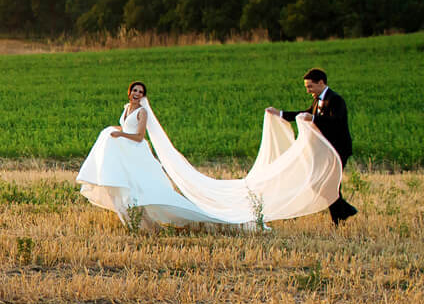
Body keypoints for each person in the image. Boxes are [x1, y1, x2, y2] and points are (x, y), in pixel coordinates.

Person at [78, 79, 344, 231]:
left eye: (141, 92)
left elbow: (138, 136)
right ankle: (138, 221)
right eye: (134, 91)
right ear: (129, 93)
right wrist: (116, 129)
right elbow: (125, 127)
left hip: (136, 151)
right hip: (128, 154)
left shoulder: (143, 112)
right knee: (131, 188)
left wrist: (119, 135)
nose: (137, 94)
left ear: (144, 96)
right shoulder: (126, 108)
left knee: (149, 189)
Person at [266, 68, 355, 225]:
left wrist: (313, 118)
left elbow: (335, 121)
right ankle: (344, 212)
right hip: (325, 150)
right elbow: (305, 113)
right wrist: (280, 114)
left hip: (338, 149)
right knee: (319, 182)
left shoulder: (335, 100)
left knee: (329, 183)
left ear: (321, 83)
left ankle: (340, 217)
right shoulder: (318, 99)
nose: (308, 91)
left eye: (310, 87)